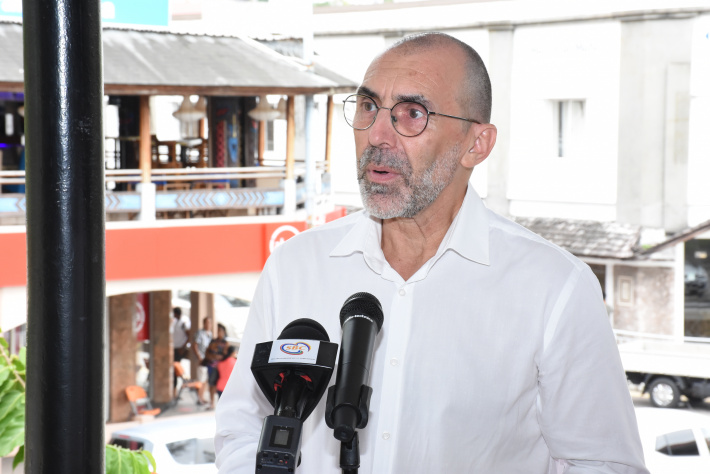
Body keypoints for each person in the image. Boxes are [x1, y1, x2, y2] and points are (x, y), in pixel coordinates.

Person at [215, 32, 648, 473]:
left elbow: (605, 464)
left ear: (475, 144)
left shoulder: (554, 288)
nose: (377, 135)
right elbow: (241, 429)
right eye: (368, 107)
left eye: (412, 114)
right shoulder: (294, 266)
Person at [205, 323, 229, 410]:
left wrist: (220, 358)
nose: (219, 332)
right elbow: (207, 352)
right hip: (212, 365)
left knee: (221, 385)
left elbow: (226, 355)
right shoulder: (213, 341)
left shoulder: (225, 343)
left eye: (220, 330)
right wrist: (213, 357)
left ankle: (221, 403)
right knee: (211, 384)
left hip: (221, 367)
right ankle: (212, 403)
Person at [192, 316, 213, 405]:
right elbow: (195, 345)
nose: (208, 324)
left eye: (209, 323)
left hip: (208, 359)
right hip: (202, 358)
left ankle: (202, 397)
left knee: (205, 380)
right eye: (207, 322)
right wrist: (199, 357)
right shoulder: (200, 333)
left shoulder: (210, 334)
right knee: (201, 378)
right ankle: (199, 398)